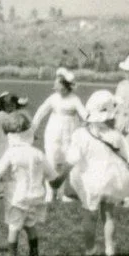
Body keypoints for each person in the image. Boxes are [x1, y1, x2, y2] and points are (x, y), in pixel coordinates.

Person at [64, 90, 129, 256]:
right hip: (112, 179)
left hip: (89, 181)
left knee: (89, 215)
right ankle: (110, 249)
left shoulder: (80, 134)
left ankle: (90, 249)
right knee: (109, 214)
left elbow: (72, 158)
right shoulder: (116, 135)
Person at [0, 111, 56, 256]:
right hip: (36, 196)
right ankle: (34, 254)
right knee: (30, 225)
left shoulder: (12, 152)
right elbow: (52, 175)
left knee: (14, 226)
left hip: (17, 196)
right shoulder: (38, 153)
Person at [31, 68, 87, 202]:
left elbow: (84, 114)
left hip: (70, 132)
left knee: (66, 162)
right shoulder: (53, 98)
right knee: (51, 161)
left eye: (58, 83)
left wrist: (90, 121)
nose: (55, 86)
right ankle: (49, 193)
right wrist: (32, 129)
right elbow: (41, 112)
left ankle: (61, 193)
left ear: (65, 86)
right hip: (54, 132)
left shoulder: (74, 99)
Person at [0, 91, 29, 168]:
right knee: (5, 166)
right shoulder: (8, 115)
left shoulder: (2, 115)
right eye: (8, 106)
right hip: (6, 145)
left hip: (5, 145)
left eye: (12, 106)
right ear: (4, 106)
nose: (11, 108)